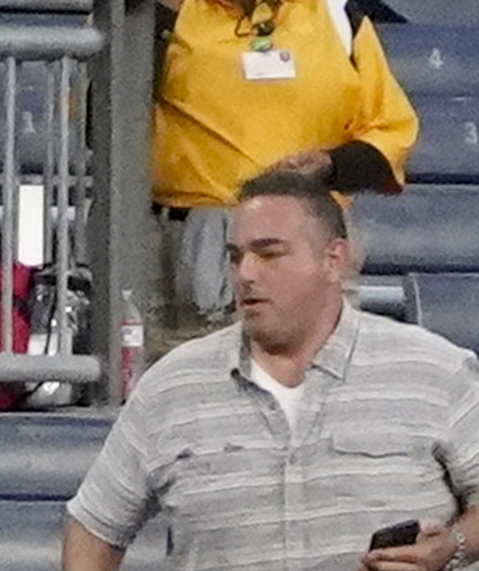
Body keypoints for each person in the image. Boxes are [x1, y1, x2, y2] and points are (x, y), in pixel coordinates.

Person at [57, 170, 479, 571]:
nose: (246, 274)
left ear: (334, 261)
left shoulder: (431, 370)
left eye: (269, 254)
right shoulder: (173, 387)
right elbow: (94, 521)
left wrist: (447, 547)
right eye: (237, 256)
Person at [149, 0, 416, 343]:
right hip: (193, 236)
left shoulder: (338, 14)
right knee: (194, 383)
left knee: (319, 372)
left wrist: (331, 165)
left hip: (308, 230)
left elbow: (392, 131)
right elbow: (98, 117)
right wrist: (157, 17)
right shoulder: (165, 12)